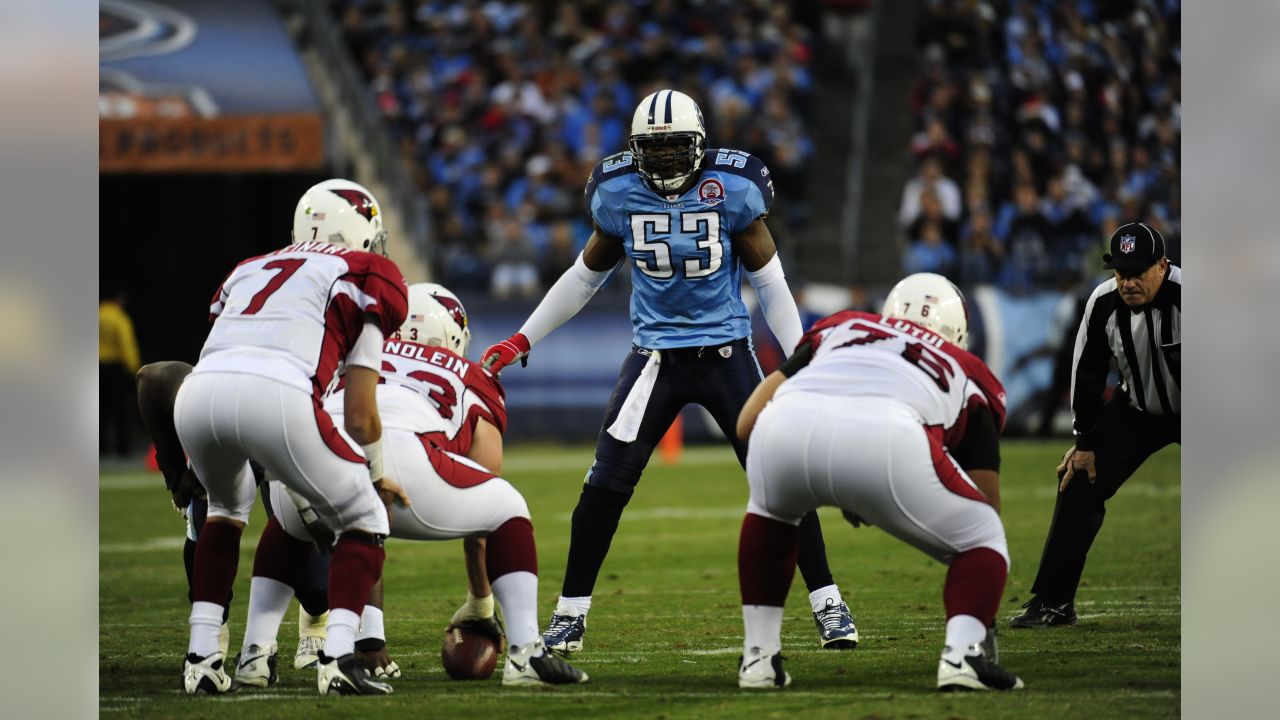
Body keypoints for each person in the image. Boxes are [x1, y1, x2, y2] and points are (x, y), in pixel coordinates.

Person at [481, 89, 857, 654]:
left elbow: (771, 284)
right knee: (604, 486)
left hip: (728, 355)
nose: (662, 161)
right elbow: (584, 277)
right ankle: (569, 614)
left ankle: (829, 602)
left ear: (699, 146)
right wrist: (521, 338)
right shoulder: (617, 194)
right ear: (635, 152)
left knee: (781, 478)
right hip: (655, 358)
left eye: (675, 149)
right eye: (651, 151)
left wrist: (800, 357)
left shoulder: (733, 190)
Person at [249, 283, 588, 687]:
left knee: (288, 523)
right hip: (399, 459)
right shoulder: (471, 374)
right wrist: (480, 604)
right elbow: (483, 502)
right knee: (507, 507)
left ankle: (254, 653)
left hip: (310, 454)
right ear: (452, 336)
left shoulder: (351, 353)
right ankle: (525, 652)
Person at [733, 273, 1024, 692]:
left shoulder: (843, 324)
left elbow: (747, 422)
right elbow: (985, 502)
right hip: (888, 437)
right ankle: (963, 655)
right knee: (985, 537)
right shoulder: (970, 369)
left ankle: (758, 660)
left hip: (784, 423)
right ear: (957, 330)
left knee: (771, 511)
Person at [175, 178, 408, 696]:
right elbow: (361, 411)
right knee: (364, 515)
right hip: (278, 391)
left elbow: (224, 341)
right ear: (361, 229)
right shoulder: (365, 270)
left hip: (199, 393)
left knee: (224, 511)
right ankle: (340, 657)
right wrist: (378, 472)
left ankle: (202, 658)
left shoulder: (248, 268)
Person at [1010, 222, 1181, 628]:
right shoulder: (1102, 303)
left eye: (1139, 272)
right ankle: (1053, 602)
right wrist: (1085, 441)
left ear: (1163, 265)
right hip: (1137, 411)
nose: (1129, 282)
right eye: (1121, 273)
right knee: (1077, 480)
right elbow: (1085, 374)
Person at [100, 289, 141, 457]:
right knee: (121, 411)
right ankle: (123, 449)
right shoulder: (119, 318)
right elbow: (126, 345)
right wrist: (135, 369)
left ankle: (101, 448)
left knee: (98, 411)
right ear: (119, 299)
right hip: (115, 369)